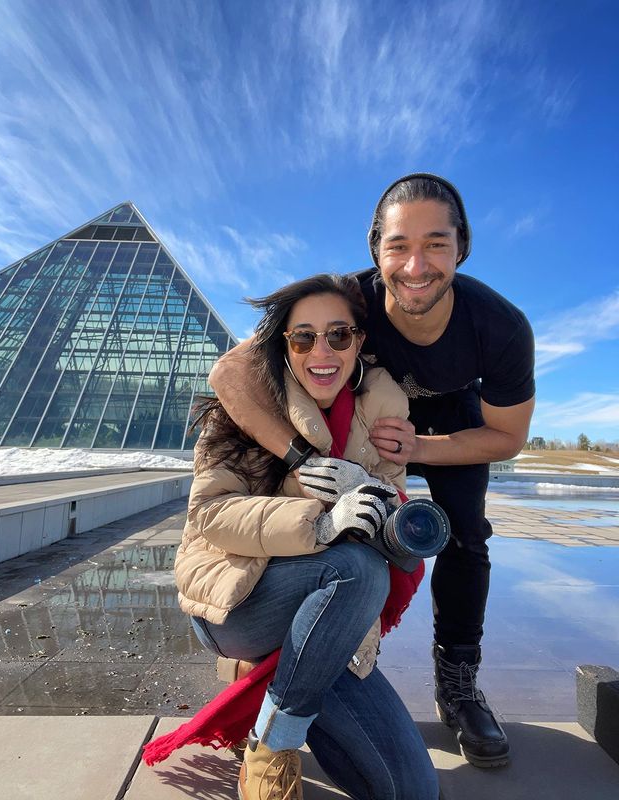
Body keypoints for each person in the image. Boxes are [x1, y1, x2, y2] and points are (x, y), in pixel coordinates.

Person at [209, 174, 535, 768]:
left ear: (462, 247)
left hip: (453, 417)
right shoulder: (352, 300)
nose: (416, 266)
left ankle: (458, 685)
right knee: (348, 522)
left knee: (465, 534)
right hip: (368, 402)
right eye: (398, 246)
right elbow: (229, 373)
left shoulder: (501, 327)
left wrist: (420, 448)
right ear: (374, 250)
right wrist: (302, 458)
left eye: (436, 244)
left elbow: (507, 437)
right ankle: (293, 641)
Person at [175, 274, 439, 800]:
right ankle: (272, 743)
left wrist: (375, 497)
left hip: (332, 617)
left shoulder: (383, 417)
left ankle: (286, 683)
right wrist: (320, 522)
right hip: (237, 602)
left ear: (359, 342)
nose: (322, 351)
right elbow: (210, 512)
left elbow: (394, 526)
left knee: (412, 789)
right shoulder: (242, 407)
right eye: (303, 338)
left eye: (338, 335)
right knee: (357, 569)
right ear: (284, 345)